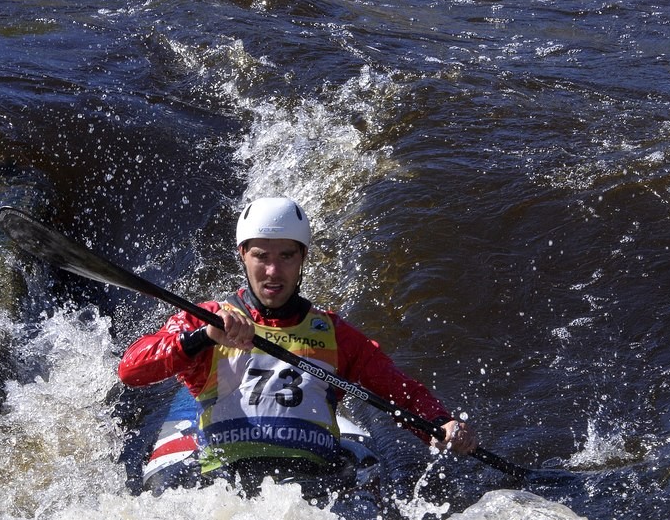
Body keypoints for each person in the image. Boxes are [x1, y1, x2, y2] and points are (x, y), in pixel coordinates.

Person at [118, 196, 478, 497]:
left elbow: (401, 391)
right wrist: (202, 338)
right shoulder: (208, 319)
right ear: (243, 255)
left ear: (303, 257)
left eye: (286, 256)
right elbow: (131, 370)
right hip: (224, 486)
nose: (273, 271)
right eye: (261, 256)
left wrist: (440, 424)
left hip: (313, 487)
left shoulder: (335, 334)